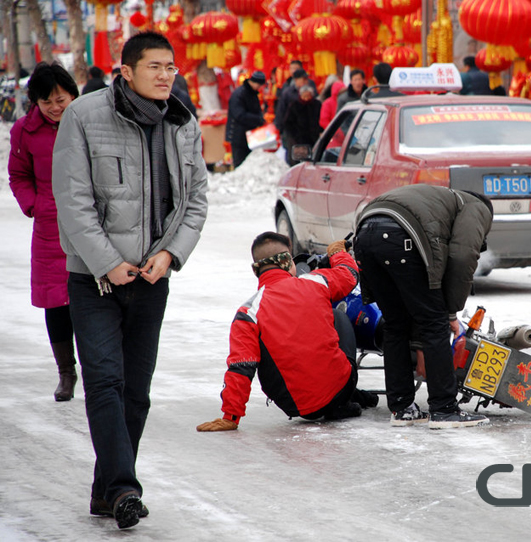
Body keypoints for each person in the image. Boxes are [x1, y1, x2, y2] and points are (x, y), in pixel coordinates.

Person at [52, 31, 208, 530]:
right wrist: (106, 262)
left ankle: (106, 491)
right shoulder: (85, 116)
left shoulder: (182, 123)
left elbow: (195, 202)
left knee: (136, 392)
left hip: (151, 276)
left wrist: (169, 255)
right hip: (94, 280)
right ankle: (124, 489)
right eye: (155, 67)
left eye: (171, 67)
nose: (166, 75)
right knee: (104, 383)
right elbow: (72, 200)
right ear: (127, 71)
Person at [196, 232, 379, 432]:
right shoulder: (315, 282)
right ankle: (345, 397)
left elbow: (241, 368)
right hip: (339, 389)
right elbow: (349, 274)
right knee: (337, 316)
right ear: (285, 262)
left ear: (256, 269)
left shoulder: (248, 313)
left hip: (298, 406)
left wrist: (231, 416)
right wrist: (337, 253)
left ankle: (346, 397)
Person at [353, 185, 494, 429]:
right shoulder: (477, 207)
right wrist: (450, 312)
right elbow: (462, 258)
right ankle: (444, 410)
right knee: (434, 323)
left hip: (365, 234)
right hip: (401, 236)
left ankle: (401, 407)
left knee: (396, 325)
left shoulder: (440, 199)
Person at [8, 62, 80, 401]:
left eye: (60, 100)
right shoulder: (24, 131)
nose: (54, 108)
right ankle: (66, 372)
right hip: (50, 225)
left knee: (94, 298)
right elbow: (19, 175)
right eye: (46, 102)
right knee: (56, 301)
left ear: (72, 95)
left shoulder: (87, 123)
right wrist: (34, 205)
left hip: (90, 221)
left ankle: (101, 370)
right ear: (35, 102)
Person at [225, 70, 267, 168]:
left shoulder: (253, 93)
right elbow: (239, 115)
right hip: (238, 136)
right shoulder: (239, 94)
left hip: (250, 136)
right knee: (240, 164)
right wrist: (258, 119)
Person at [282, 85, 322, 166]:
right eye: (304, 96)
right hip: (299, 140)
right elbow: (288, 123)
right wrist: (296, 136)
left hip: (314, 138)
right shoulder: (294, 105)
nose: (306, 98)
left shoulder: (317, 104)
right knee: (300, 163)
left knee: (315, 161)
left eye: (308, 96)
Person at [274, 68, 310, 148]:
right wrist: (280, 129)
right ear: (296, 80)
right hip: (291, 131)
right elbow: (281, 111)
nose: (305, 81)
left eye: (306, 79)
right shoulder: (288, 93)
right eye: (303, 79)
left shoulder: (309, 91)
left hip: (305, 131)